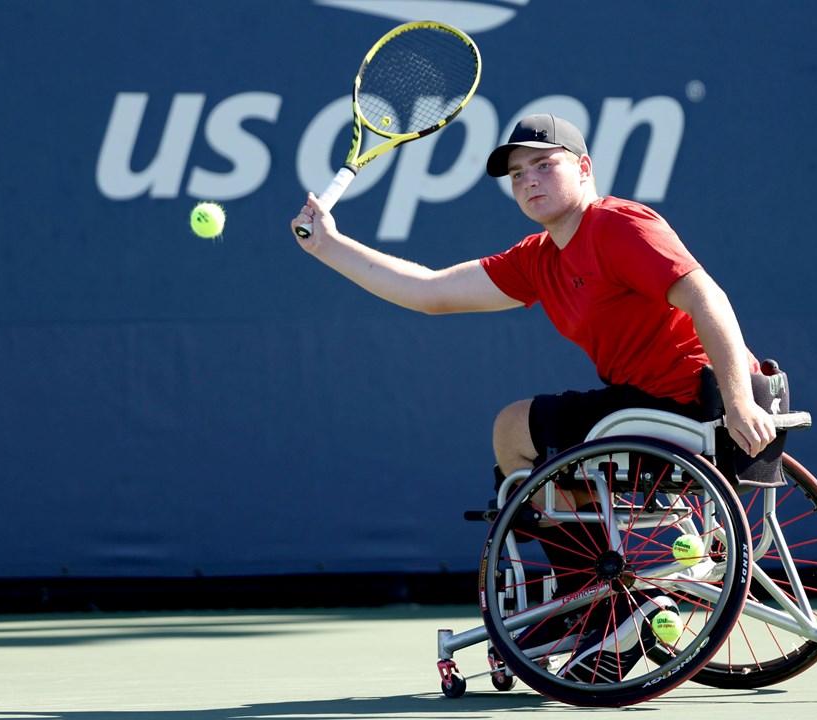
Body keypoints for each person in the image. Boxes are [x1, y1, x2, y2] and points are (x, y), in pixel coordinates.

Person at [292, 114, 777, 679]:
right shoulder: (538, 257)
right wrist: (328, 246)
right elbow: (429, 292)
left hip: (689, 404)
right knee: (513, 429)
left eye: (544, 165)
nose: (528, 180)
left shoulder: (619, 226)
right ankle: (595, 604)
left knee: (519, 436)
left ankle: (601, 608)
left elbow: (706, 297)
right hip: (639, 404)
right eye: (517, 174)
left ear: (584, 167)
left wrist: (740, 402)